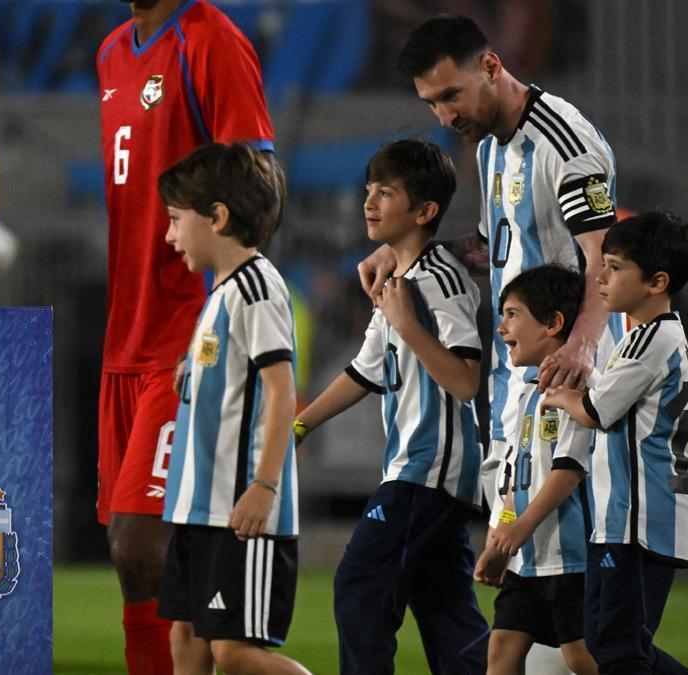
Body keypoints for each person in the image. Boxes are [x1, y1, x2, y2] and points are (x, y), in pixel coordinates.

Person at [358, 14, 618, 507]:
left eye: (452, 95)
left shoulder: (563, 143)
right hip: (514, 371)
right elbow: (493, 246)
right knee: (519, 556)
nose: (443, 116)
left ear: (492, 66)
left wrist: (581, 348)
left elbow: (604, 258)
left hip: (571, 370)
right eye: (431, 103)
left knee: (566, 557)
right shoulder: (489, 149)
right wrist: (402, 252)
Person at [95, 1, 275, 671]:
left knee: (140, 544)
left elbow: (259, 183)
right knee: (137, 563)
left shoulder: (212, 40)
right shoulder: (112, 52)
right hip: (125, 336)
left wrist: (226, 311)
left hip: (185, 336)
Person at [295, 140, 490, 674]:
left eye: (386, 192)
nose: (369, 202)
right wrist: (299, 425)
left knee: (360, 586)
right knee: (449, 617)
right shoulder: (399, 282)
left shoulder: (440, 281)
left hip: (426, 469)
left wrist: (407, 325)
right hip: (424, 472)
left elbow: (466, 380)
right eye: (368, 191)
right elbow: (365, 370)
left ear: (425, 211)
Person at [155, 142, 307, 675]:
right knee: (188, 641)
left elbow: (281, 389)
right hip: (200, 508)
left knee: (235, 654)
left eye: (176, 220)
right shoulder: (222, 292)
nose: (170, 236)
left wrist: (264, 487)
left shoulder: (257, 287)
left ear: (217, 217)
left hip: (238, 512)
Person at [543, 211, 688, 675]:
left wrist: (560, 396)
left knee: (619, 649)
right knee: (612, 643)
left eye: (614, 268)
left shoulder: (653, 339)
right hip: (626, 517)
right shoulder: (647, 337)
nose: (601, 277)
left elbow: (593, 411)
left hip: (639, 517)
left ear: (656, 282)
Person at [473, 264, 598, 675]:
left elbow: (568, 470)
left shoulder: (577, 386)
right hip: (528, 557)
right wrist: (499, 541)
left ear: (553, 324)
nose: (502, 326)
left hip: (571, 555)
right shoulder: (529, 392)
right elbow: (517, 477)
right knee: (502, 650)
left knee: (581, 657)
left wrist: (520, 527)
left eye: (513, 314)